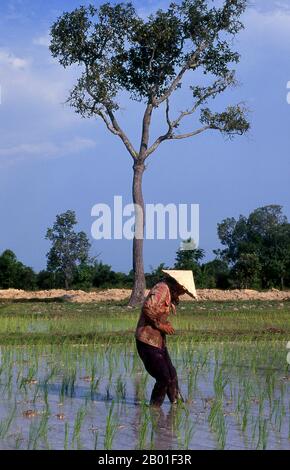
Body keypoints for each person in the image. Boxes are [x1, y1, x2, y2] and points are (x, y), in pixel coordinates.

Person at [135, 270, 197, 407]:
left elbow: (158, 311)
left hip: (158, 341)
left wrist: (164, 323)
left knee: (171, 374)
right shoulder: (162, 289)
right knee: (163, 377)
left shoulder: (169, 290)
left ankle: (177, 405)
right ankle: (154, 409)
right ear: (180, 285)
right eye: (184, 291)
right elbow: (148, 308)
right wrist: (161, 325)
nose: (183, 294)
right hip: (147, 340)